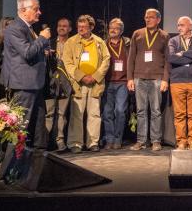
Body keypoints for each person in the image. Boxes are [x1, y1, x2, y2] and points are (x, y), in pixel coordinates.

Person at [0, 0, 50, 148]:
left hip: (34, 84)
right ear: (23, 10)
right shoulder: (15, 28)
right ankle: (11, 168)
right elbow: (27, 53)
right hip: (23, 85)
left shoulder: (27, 28)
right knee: (20, 130)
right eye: (36, 9)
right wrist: (42, 39)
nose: (39, 12)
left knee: (38, 128)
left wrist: (44, 51)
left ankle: (37, 163)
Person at [62, 15, 110, 153]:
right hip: (78, 83)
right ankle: (76, 143)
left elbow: (106, 61)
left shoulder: (99, 42)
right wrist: (81, 76)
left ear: (91, 27)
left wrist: (95, 77)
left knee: (94, 114)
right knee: (77, 114)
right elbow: (68, 62)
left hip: (95, 83)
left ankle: (92, 142)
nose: (81, 29)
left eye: (84, 27)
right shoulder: (71, 42)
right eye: (79, 27)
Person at [128, 9, 170, 151]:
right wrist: (129, 78)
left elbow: (168, 60)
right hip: (139, 78)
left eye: (151, 17)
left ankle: (156, 141)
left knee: (156, 111)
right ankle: (141, 140)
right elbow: (131, 58)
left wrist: (165, 79)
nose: (148, 19)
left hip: (157, 78)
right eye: (146, 17)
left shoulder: (164, 36)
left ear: (158, 20)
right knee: (140, 111)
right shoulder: (137, 34)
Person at [168, 16, 192, 150]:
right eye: (178, 25)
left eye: (182, 25)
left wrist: (183, 53)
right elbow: (172, 57)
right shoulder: (173, 40)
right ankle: (181, 142)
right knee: (179, 114)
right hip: (177, 82)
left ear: (190, 26)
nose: (179, 28)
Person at [45, 17, 72, 151]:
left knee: (62, 113)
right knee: (49, 113)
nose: (62, 28)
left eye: (65, 26)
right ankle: (46, 140)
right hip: (50, 82)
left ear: (70, 29)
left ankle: (60, 140)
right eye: (59, 26)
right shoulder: (49, 43)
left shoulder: (73, 44)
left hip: (66, 82)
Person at [102, 18, 130, 150]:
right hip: (107, 82)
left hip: (123, 82)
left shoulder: (127, 44)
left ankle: (118, 139)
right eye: (111, 28)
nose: (112, 30)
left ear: (121, 30)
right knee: (107, 112)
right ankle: (109, 139)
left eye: (116, 28)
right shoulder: (102, 44)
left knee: (120, 111)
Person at [0, 17, 14, 100]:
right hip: (0, 80)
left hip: (14, 79)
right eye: (8, 25)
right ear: (3, 27)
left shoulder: (16, 43)